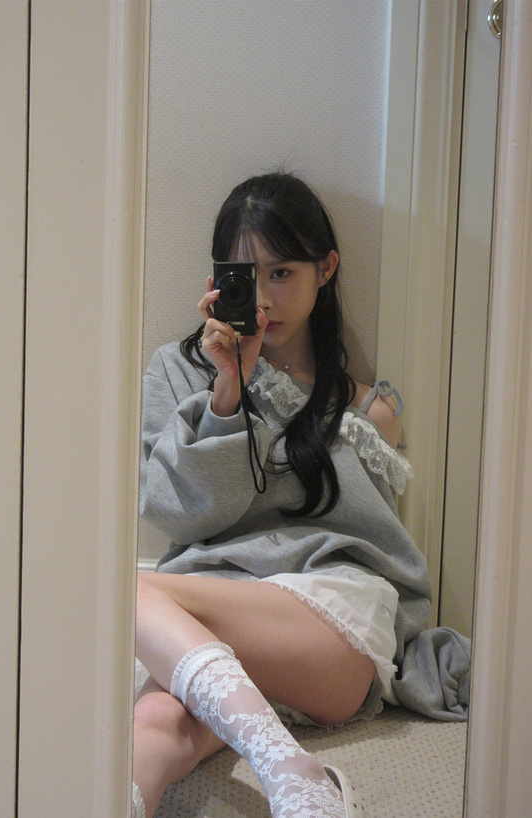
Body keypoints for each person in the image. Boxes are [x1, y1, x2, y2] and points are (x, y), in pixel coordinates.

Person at [132, 172, 433, 818]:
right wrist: (227, 392)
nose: (264, 297)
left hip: (328, 622)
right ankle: (280, 777)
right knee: (155, 721)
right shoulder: (177, 372)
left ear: (326, 270)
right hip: (215, 607)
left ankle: (291, 767)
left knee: (115, 590)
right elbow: (179, 515)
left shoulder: (365, 411)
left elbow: (374, 548)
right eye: (244, 276)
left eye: (282, 273)